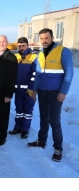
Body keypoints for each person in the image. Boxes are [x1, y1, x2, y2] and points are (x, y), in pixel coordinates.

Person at [27, 28, 74, 162]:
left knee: (55, 121)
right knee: (43, 117)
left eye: (46, 38)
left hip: (55, 93)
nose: (44, 41)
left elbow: (69, 73)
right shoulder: (40, 53)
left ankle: (58, 148)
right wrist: (34, 90)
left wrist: (63, 92)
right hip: (42, 91)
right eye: (42, 38)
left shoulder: (63, 51)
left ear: (52, 38)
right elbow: (37, 74)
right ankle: (42, 141)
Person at [8, 37, 37, 139]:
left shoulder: (33, 57)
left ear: (27, 45)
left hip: (29, 90)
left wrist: (32, 88)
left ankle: (25, 130)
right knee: (19, 110)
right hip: (18, 90)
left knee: (27, 111)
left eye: (23, 45)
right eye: (19, 46)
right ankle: (17, 128)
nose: (21, 47)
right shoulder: (15, 57)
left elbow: (35, 74)